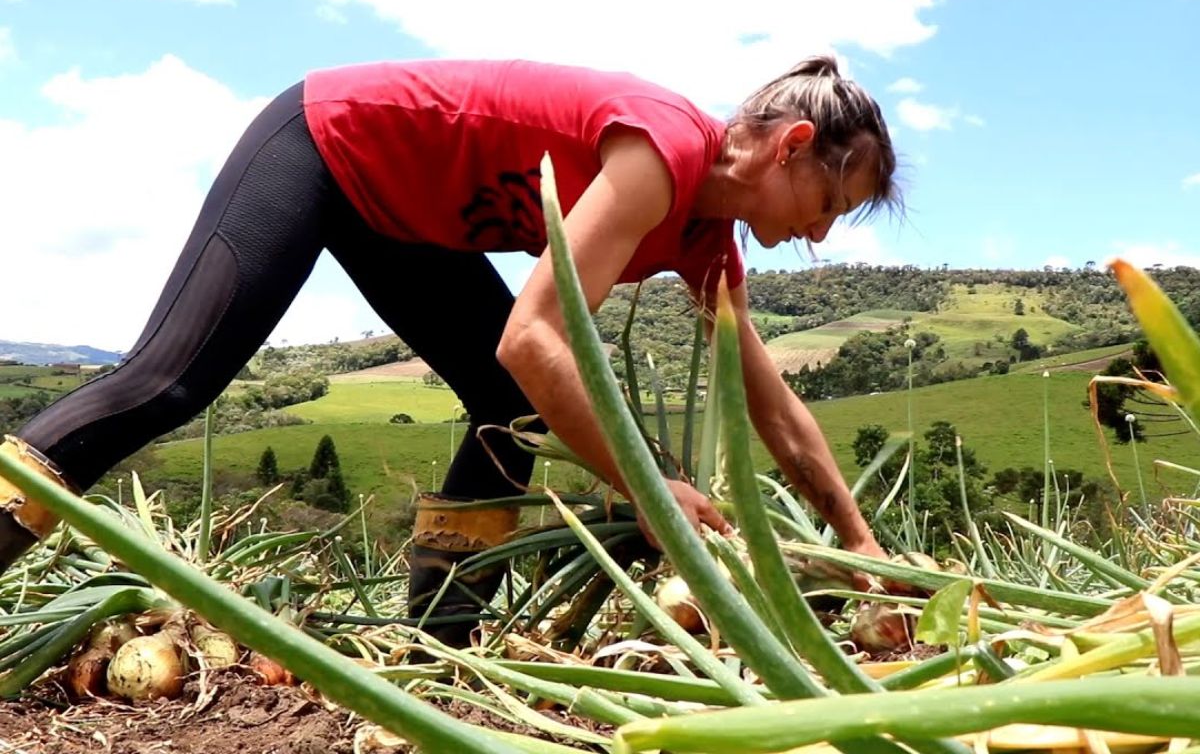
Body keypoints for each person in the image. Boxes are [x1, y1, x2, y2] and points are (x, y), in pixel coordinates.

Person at [0, 54, 898, 647]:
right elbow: (535, 341)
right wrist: (649, 486)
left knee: (505, 416)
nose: (820, 234)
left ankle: (438, 645)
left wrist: (868, 555)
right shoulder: (659, 152)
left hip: (406, 221)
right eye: (830, 202)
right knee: (168, 381)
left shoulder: (706, 242)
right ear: (791, 148)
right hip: (324, 141)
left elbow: (773, 408)